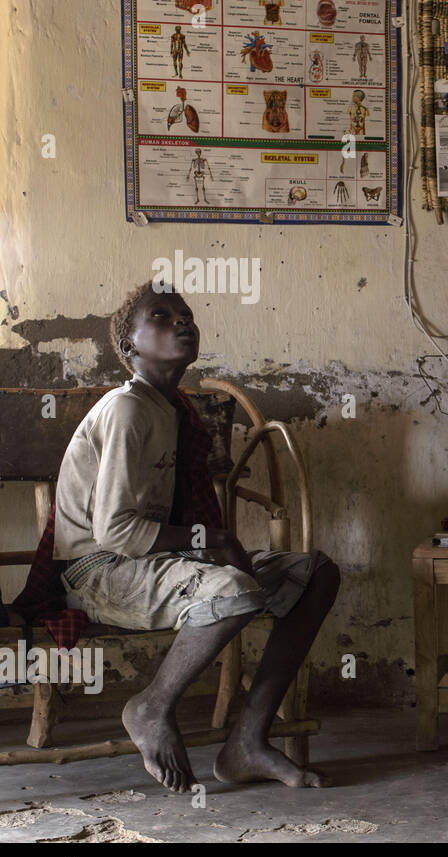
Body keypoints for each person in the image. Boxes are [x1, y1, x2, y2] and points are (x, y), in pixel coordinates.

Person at [41, 282, 340, 791]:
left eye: (186, 315)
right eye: (161, 316)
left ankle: (248, 739)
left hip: (158, 562)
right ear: (128, 346)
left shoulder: (174, 409)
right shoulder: (127, 408)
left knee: (315, 574)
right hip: (100, 571)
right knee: (234, 589)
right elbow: (114, 530)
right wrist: (214, 542)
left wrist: (210, 544)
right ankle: (150, 707)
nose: (183, 322)